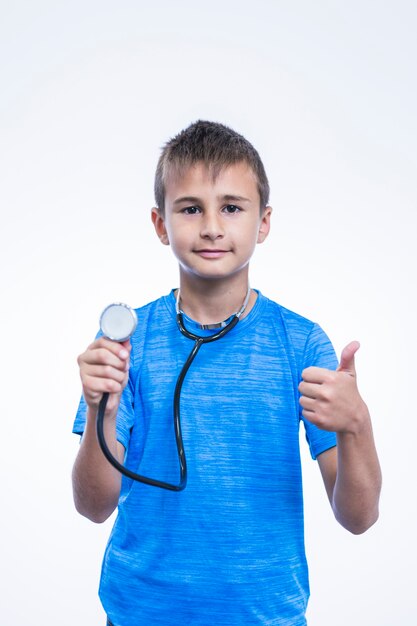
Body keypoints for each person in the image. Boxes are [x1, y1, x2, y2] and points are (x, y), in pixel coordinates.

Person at [72, 120, 382, 626]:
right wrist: (97, 407)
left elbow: (359, 518)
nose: (213, 226)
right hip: (140, 613)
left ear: (263, 222)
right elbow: (93, 506)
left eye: (232, 208)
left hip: (263, 615)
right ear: (160, 223)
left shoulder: (301, 344)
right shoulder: (128, 345)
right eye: (191, 208)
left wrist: (356, 426)